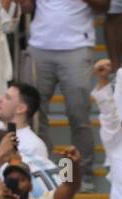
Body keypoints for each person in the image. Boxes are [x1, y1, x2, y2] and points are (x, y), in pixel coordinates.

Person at [24, 0, 97, 178]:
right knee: (33, 115)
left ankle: (75, 175)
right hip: (39, 45)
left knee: (77, 113)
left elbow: (104, 5)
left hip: (77, 46)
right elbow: (27, 6)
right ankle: (44, 171)